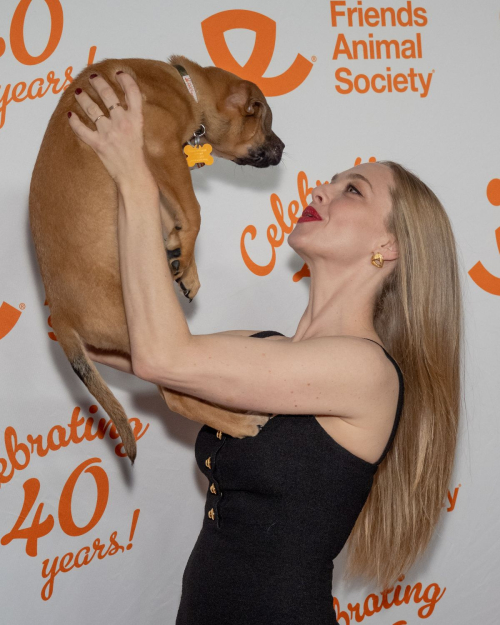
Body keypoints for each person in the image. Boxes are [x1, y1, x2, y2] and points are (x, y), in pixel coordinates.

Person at [67, 72, 463, 624]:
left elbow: (163, 356)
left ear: (387, 246)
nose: (320, 189)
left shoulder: (365, 370)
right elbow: (120, 346)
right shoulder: (267, 350)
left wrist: (137, 178)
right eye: (330, 180)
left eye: (352, 190)